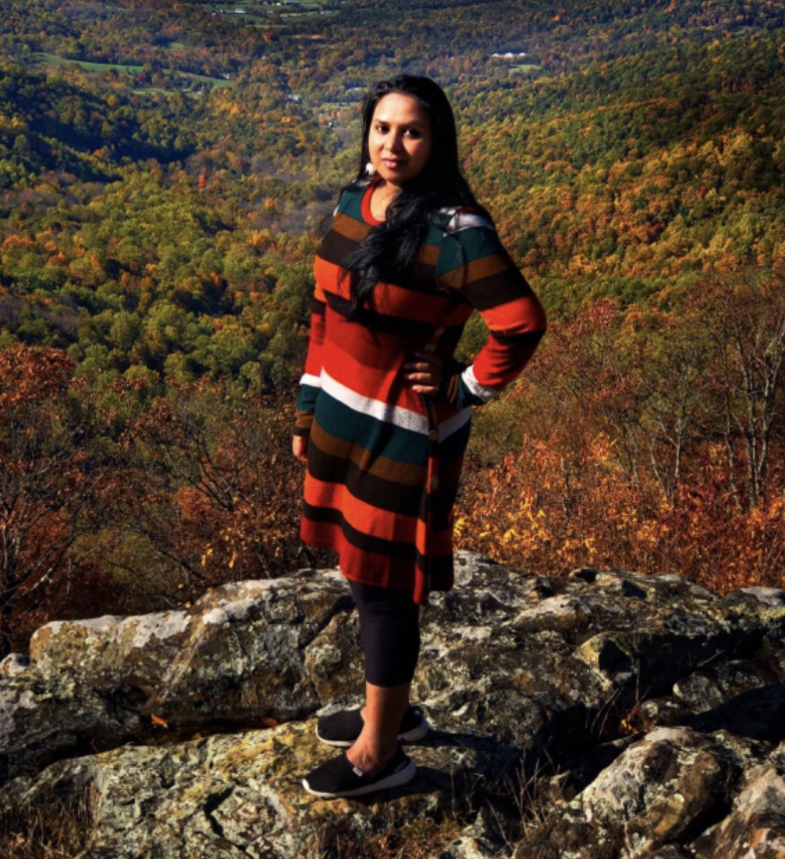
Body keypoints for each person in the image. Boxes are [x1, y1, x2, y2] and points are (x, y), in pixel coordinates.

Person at [292, 74, 547, 798]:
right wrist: (307, 409)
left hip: (404, 428)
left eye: (410, 131)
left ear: (437, 142)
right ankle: (392, 714)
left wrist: (466, 387)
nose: (392, 144)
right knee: (356, 567)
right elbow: (321, 314)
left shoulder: (455, 230)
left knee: (384, 584)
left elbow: (522, 321)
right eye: (381, 128)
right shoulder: (355, 200)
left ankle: (381, 754)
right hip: (342, 418)